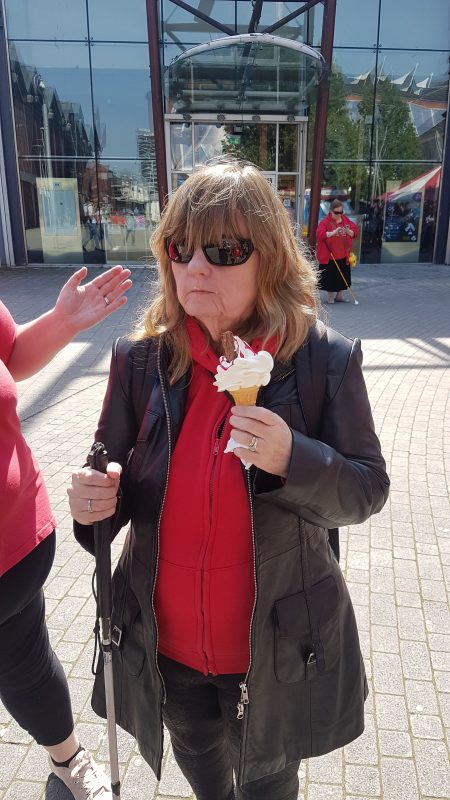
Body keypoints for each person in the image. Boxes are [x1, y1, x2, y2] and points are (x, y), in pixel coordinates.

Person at [68, 161, 389, 800]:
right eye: (180, 249)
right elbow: (111, 490)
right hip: (170, 651)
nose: (195, 268)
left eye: (225, 249)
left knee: (268, 786)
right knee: (206, 778)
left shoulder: (323, 361)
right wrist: (91, 504)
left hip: (272, 654)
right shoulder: (140, 361)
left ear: (267, 258)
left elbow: (366, 488)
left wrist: (292, 457)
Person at [0, 265, 132, 800]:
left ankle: (68, 759)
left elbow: (10, 358)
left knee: (28, 668)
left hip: (15, 549)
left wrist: (61, 322)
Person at [316, 198, 358, 304]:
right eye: (337, 212)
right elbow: (320, 235)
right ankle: (330, 297)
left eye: (341, 212)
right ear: (331, 211)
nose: (339, 214)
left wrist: (348, 231)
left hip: (344, 255)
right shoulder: (325, 222)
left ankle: (340, 296)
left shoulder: (346, 220)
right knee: (330, 277)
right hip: (330, 256)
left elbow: (354, 233)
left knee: (343, 276)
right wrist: (333, 232)